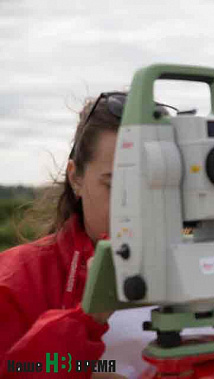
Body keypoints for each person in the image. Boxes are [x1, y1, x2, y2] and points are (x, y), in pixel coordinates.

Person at [0, 92, 173, 378]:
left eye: (154, 185)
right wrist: (87, 318)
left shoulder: (208, 267)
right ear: (76, 177)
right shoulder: (16, 282)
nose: (139, 205)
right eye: (117, 185)